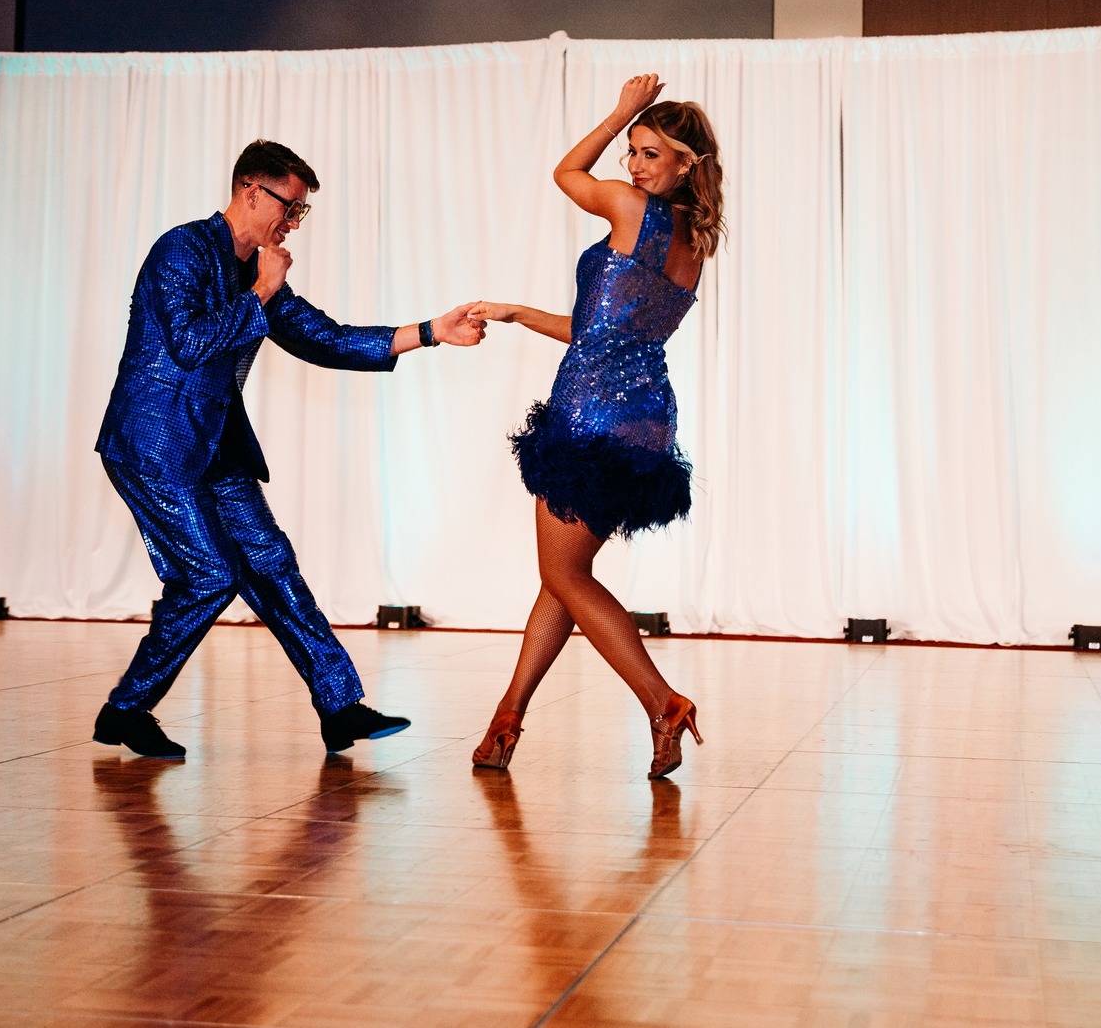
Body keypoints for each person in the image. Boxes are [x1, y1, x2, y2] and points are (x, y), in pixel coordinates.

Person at [92, 139, 487, 759]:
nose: (292, 222)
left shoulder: (259, 273)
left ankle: (339, 706)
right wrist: (260, 294)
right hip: (154, 443)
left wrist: (432, 333)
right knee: (209, 575)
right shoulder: (181, 250)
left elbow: (324, 339)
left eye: (301, 213)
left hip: (214, 445)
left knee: (272, 562)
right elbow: (192, 344)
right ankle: (127, 709)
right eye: (290, 207)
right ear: (252, 190)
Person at [466, 75, 725, 779]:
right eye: (632, 151)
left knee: (563, 570)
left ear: (684, 164)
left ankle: (662, 701)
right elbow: (596, 330)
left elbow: (565, 173)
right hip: (645, 420)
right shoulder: (692, 243)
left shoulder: (629, 207)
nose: (633, 166)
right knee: (563, 578)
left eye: (648, 152)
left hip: (590, 414)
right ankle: (506, 722)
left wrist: (616, 111)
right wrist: (520, 312)